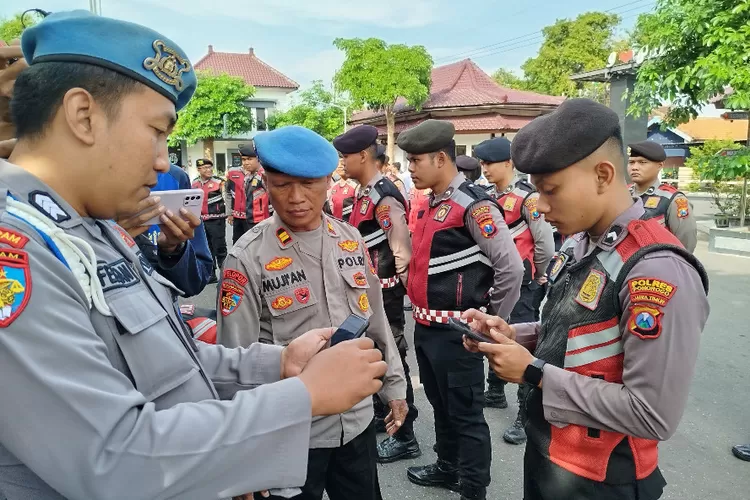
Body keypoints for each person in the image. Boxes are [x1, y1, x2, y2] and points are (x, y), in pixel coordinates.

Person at [0, 11, 391, 499]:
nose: (165, 160)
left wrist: (277, 365)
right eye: (158, 131)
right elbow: (113, 457)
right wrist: (302, 399)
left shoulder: (93, 232)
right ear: (83, 115)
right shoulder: (17, 250)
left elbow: (167, 362)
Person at [463, 98, 710, 500]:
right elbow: (581, 332)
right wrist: (515, 334)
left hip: (602, 478)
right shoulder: (583, 243)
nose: (540, 207)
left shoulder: (655, 269)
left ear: (602, 174)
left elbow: (652, 414)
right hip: (551, 456)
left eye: (550, 190)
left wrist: (534, 373)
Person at [217, 125, 408, 500]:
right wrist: (239, 457)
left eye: (309, 184)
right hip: (291, 433)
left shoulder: (349, 238)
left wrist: (394, 388)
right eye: (282, 185)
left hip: (356, 422)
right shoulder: (247, 257)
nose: (297, 198)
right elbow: (233, 359)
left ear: (328, 181)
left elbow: (377, 323)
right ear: (266, 183)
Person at [399, 119, 524, 500]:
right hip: (427, 327)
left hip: (458, 333)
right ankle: (447, 465)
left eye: (416, 160)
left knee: (466, 413)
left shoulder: (472, 206)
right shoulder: (432, 203)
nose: (410, 168)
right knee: (440, 403)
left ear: (440, 158)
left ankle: (472, 487)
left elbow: (511, 267)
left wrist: (490, 323)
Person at [333, 125, 421, 464]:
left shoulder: (383, 196)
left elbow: (401, 251)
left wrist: (402, 289)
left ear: (363, 156)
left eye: (345, 156)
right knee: (374, 355)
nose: (341, 162)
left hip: (385, 292)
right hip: (368, 292)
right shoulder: (364, 192)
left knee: (392, 355)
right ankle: (386, 416)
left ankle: (406, 434)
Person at [474, 136, 555, 445]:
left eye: (489, 163)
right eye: (481, 163)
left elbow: (545, 243)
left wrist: (540, 275)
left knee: (522, 344)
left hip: (523, 280)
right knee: (496, 332)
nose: (484, 169)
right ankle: (495, 391)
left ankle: (526, 414)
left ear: (508, 163)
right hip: (496, 278)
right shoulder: (487, 195)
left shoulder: (527, 199)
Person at [115, 163, 214, 297]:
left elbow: (195, 281)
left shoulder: (175, 176)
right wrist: (111, 237)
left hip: (165, 310)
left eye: (162, 141)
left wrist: (173, 250)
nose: (162, 161)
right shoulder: (86, 182)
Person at [627, 141, 697, 252]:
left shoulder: (673, 200)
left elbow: (686, 242)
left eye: (642, 162)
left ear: (660, 166)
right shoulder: (623, 194)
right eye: (631, 162)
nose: (635, 167)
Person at [192, 157, 227, 282]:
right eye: (205, 168)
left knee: (220, 248)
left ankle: (225, 274)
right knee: (207, 248)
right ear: (199, 169)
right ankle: (211, 275)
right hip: (201, 221)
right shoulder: (194, 184)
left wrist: (229, 214)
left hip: (217, 220)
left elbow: (226, 199)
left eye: (210, 167)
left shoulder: (219, 182)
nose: (208, 170)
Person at [327, 156, 357, 222]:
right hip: (335, 224)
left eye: (343, 164)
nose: (340, 166)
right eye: (338, 164)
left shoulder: (355, 186)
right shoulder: (334, 186)